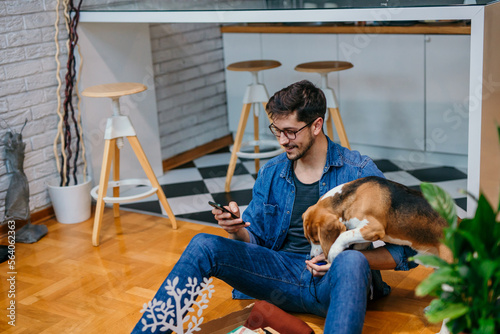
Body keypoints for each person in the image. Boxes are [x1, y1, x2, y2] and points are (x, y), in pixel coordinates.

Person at [131, 80, 417, 334]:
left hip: (336, 283)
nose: (282, 141)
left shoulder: (358, 173)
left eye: (291, 132)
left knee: (352, 260)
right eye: (277, 131)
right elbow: (257, 240)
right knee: (203, 244)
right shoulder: (272, 172)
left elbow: (408, 248)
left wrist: (342, 259)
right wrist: (237, 229)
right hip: (280, 277)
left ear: (316, 125)